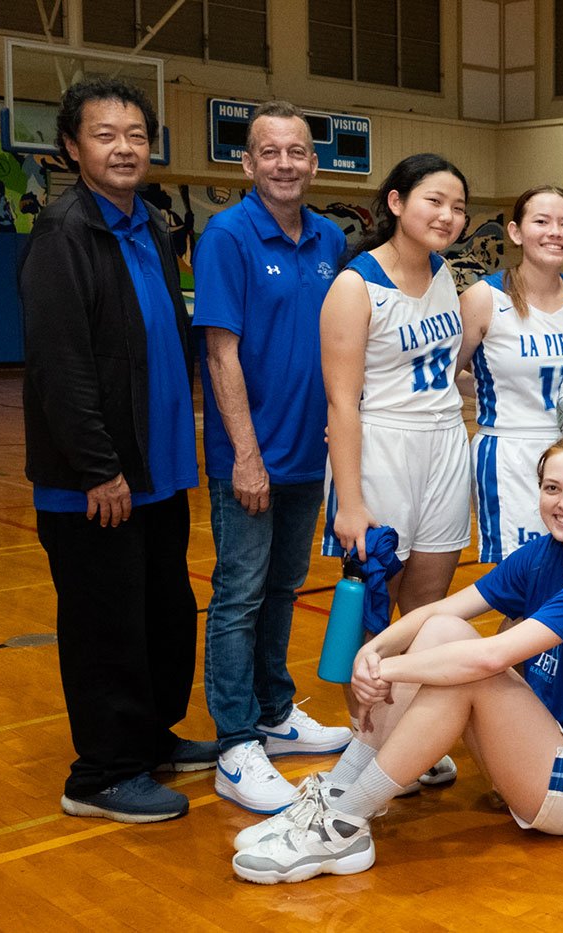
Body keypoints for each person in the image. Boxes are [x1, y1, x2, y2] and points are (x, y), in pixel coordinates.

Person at [230, 435, 563, 884]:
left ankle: (343, 822)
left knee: (472, 672)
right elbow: (438, 611)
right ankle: (338, 795)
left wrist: (385, 670)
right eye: (552, 488)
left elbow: (492, 655)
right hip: (536, 749)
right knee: (441, 632)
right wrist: (374, 649)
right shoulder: (543, 554)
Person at [21, 77, 212, 822]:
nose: (124, 146)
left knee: (163, 613)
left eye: (135, 133)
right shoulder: (65, 232)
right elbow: (59, 364)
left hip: (159, 473)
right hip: (96, 483)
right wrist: (99, 468)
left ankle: (149, 738)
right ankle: (99, 774)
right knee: (105, 626)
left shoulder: (151, 227)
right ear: (72, 148)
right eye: (104, 134)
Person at [192, 100, 353, 814]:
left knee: (285, 586)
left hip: (306, 456)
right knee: (239, 594)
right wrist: (245, 455)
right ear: (247, 163)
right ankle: (234, 743)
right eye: (270, 152)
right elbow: (220, 352)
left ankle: (275, 714)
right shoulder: (227, 236)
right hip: (249, 460)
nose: (285, 163)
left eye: (297, 152)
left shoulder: (327, 237)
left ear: (314, 164)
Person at [320, 153, 470, 785]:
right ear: (396, 203)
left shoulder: (444, 275)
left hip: (444, 444)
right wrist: (350, 502)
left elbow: (449, 365)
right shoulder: (355, 285)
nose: (448, 216)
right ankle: (366, 745)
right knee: (375, 609)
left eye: (459, 207)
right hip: (381, 446)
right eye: (434, 200)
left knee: (428, 602)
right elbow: (341, 402)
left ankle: (409, 732)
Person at [458, 185, 563, 563]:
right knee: (525, 587)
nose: (555, 231)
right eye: (542, 221)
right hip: (510, 457)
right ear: (516, 232)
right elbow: (446, 375)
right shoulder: (483, 298)